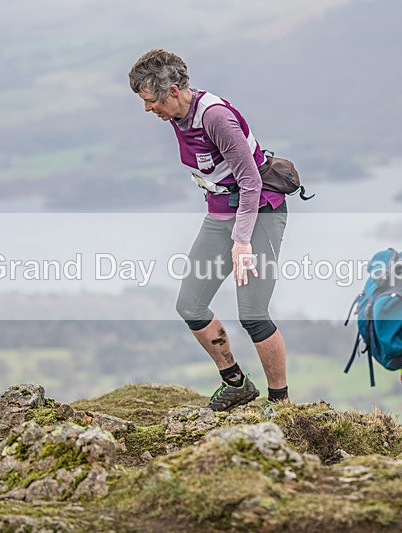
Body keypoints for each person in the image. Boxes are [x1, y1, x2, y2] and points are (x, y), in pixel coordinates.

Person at [128, 49, 290, 411]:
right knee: (190, 303)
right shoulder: (176, 115)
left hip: (258, 213)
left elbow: (250, 181)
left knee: (253, 313)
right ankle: (236, 383)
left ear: (173, 91)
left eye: (150, 100)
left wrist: (242, 240)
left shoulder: (215, 117)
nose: (147, 109)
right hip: (220, 214)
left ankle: (281, 404)